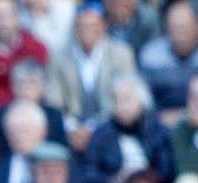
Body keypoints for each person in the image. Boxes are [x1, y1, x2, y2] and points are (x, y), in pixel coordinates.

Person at [44, 2, 138, 156]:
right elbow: (54, 101)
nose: (87, 31)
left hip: (110, 126)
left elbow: (124, 97)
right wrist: (74, 129)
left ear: (103, 26)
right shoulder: (59, 57)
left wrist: (92, 130)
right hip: (71, 131)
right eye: (82, 26)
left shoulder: (121, 54)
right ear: (75, 28)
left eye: (93, 25)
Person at [81, 74, 174, 183]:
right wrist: (113, 179)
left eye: (126, 99)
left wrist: (143, 177)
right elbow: (89, 174)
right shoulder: (101, 135)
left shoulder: (158, 131)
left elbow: (166, 171)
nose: (120, 106)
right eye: (115, 100)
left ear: (141, 101)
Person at [137, 1, 198, 123]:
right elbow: (144, 98)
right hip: (161, 121)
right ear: (166, 28)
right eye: (174, 28)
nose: (179, 35)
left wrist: (185, 115)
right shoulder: (151, 55)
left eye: (184, 27)